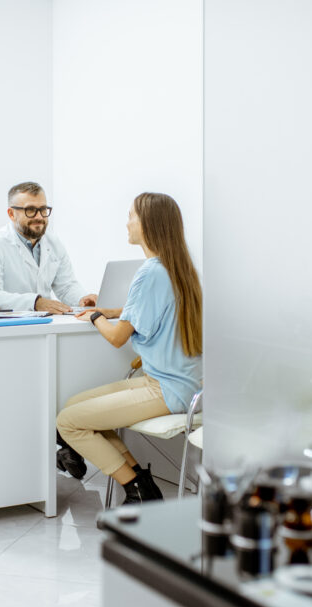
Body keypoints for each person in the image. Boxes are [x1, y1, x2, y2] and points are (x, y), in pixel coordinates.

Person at [57, 192, 202, 504]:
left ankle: (136, 487)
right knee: (73, 403)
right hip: (176, 383)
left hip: (166, 389)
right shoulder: (177, 268)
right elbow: (152, 313)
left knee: (67, 421)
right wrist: (114, 311)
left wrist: (96, 316)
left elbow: (117, 338)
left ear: (147, 224)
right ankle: (141, 480)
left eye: (131, 217)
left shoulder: (150, 272)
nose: (126, 223)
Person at [0, 181, 97, 314]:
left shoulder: (53, 242)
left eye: (43, 209)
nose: (39, 216)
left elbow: (66, 286)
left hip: (45, 325)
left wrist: (83, 299)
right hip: (7, 326)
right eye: (31, 210)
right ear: (11, 214)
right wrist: (35, 302)